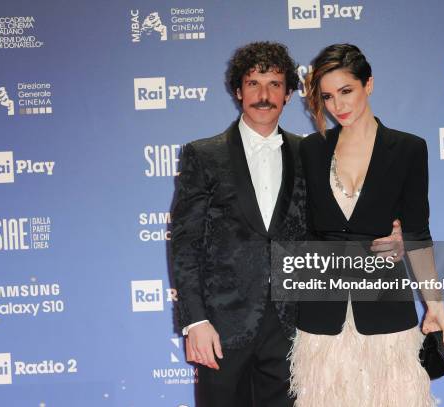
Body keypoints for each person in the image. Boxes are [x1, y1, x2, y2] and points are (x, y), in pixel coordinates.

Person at [171, 41, 404, 407]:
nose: (263, 95)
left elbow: (332, 227)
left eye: (275, 84)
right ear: (237, 91)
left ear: (289, 92)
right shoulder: (203, 155)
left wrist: (387, 237)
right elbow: (186, 244)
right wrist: (195, 322)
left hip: (294, 325)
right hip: (221, 326)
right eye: (253, 84)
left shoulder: (312, 152)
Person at [290, 43, 444, 407]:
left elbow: (417, 233)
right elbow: (301, 228)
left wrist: (435, 303)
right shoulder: (311, 150)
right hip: (321, 312)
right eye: (328, 97)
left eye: (346, 91)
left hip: (386, 309)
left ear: (369, 84)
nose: (337, 106)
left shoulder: (409, 148)